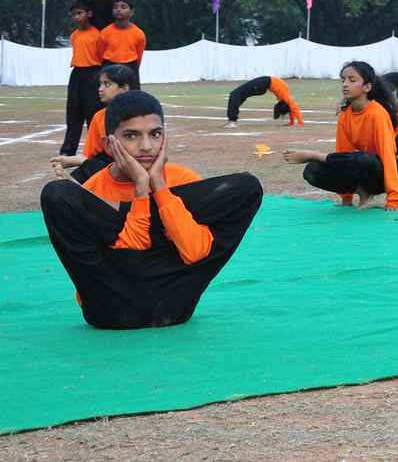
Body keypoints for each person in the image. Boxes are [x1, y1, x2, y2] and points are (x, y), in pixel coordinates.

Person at [40, 90, 263, 329]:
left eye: (155, 134)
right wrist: (140, 190)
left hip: (172, 304)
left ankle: (129, 209)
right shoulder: (94, 190)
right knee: (56, 194)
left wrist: (158, 186)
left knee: (247, 187)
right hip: (112, 309)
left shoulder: (183, 180)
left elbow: (194, 252)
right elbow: (132, 252)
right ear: (109, 144)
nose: (146, 146)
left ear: (165, 137)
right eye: (131, 135)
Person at [283, 61, 398, 210]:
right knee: (313, 170)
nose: (345, 84)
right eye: (343, 80)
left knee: (364, 159)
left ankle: (367, 191)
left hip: (378, 172)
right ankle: (360, 191)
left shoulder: (377, 114)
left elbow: (387, 155)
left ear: (367, 87)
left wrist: (394, 199)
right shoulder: (345, 115)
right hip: (359, 165)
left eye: (352, 80)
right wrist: (346, 198)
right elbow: (343, 154)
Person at [51, 64, 135, 184]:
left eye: (107, 84)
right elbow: (91, 155)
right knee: (62, 187)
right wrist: (75, 161)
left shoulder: (140, 113)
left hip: (136, 165)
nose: (100, 89)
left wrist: (79, 161)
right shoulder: (99, 117)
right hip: (107, 166)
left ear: (124, 88)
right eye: (100, 84)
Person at [58, 0, 103, 157]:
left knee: (93, 113)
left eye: (80, 13)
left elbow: (101, 58)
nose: (76, 17)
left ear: (89, 14)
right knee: (73, 113)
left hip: (93, 74)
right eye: (74, 14)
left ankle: (95, 150)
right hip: (77, 74)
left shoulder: (98, 35)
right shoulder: (74, 35)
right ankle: (68, 150)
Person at [98, 0, 146, 90]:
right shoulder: (105, 32)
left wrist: (132, 68)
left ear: (131, 12)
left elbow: (139, 57)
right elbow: (100, 54)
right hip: (109, 67)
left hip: (130, 67)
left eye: (123, 7)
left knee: (132, 96)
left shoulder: (139, 34)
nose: (118, 9)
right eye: (115, 7)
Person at [224, 76, 305, 128]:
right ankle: (232, 120)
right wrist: (297, 122)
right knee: (238, 94)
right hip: (265, 82)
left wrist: (295, 122)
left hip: (264, 83)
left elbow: (292, 108)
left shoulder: (284, 98)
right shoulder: (285, 98)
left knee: (235, 94)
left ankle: (232, 121)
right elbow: (293, 108)